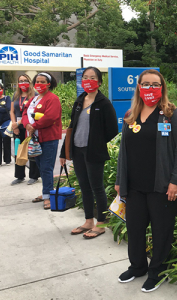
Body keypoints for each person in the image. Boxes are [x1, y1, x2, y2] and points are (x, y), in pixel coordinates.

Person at [115, 69, 177, 292]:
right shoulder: (131, 115)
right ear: (138, 87)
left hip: (163, 186)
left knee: (161, 231)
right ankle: (138, 266)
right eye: (145, 84)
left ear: (162, 88)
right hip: (135, 186)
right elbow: (123, 151)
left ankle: (157, 271)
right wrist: (121, 180)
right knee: (135, 228)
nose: (150, 88)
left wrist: (176, 181)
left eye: (155, 84)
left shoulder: (171, 114)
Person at [60, 67, 118, 239]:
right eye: (85, 77)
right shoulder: (79, 101)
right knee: (84, 187)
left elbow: (112, 129)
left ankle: (101, 223)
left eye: (92, 78)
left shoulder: (104, 103)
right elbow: (71, 127)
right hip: (77, 150)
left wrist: (96, 142)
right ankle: (88, 221)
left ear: (99, 82)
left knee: (97, 187)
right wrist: (64, 152)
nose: (88, 80)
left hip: (94, 152)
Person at [22, 72, 62, 209]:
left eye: (43, 82)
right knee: (39, 165)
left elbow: (51, 117)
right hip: (34, 137)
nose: (39, 84)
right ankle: (46, 192)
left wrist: (34, 126)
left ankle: (48, 196)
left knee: (46, 168)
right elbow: (24, 114)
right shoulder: (34, 99)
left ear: (49, 84)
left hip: (48, 138)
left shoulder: (53, 99)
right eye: (37, 81)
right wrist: (27, 125)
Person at [10, 74, 40, 185]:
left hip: (30, 127)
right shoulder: (16, 95)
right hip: (18, 128)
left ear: (29, 82)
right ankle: (19, 176)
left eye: (25, 81)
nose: (23, 83)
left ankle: (34, 176)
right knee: (19, 151)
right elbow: (12, 111)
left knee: (32, 151)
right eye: (21, 81)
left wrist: (18, 123)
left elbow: (33, 113)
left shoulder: (35, 95)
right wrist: (14, 125)